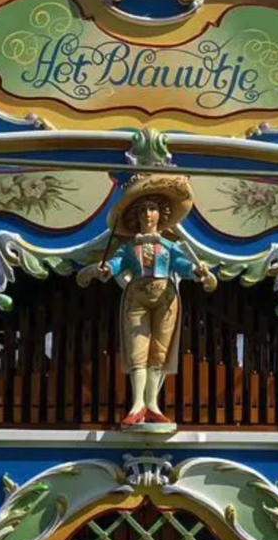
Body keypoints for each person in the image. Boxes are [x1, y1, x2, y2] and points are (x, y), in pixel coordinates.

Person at [89, 173, 215, 430]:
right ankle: (137, 404)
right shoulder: (129, 247)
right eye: (143, 209)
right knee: (138, 349)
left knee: (159, 350)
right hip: (136, 295)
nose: (148, 214)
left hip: (165, 297)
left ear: (161, 214)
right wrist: (107, 269)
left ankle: (152, 404)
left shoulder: (170, 246)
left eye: (153, 209)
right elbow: (118, 263)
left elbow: (182, 264)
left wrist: (196, 271)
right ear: (136, 215)